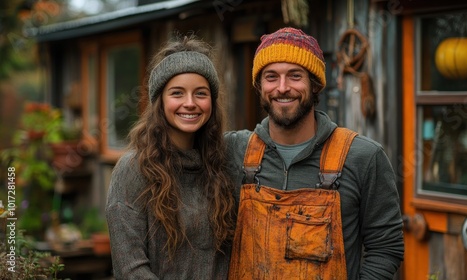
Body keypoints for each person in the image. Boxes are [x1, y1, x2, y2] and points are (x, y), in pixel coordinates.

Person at [225, 27, 404, 279]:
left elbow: (386, 247)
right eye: (271, 76)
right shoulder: (233, 151)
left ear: (315, 84)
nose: (282, 87)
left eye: (295, 76)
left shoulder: (363, 156)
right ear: (259, 85)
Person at [105, 34, 236, 279]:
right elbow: (130, 270)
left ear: (212, 101)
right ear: (160, 101)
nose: (190, 103)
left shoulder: (223, 164)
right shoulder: (133, 170)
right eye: (177, 93)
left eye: (200, 93)